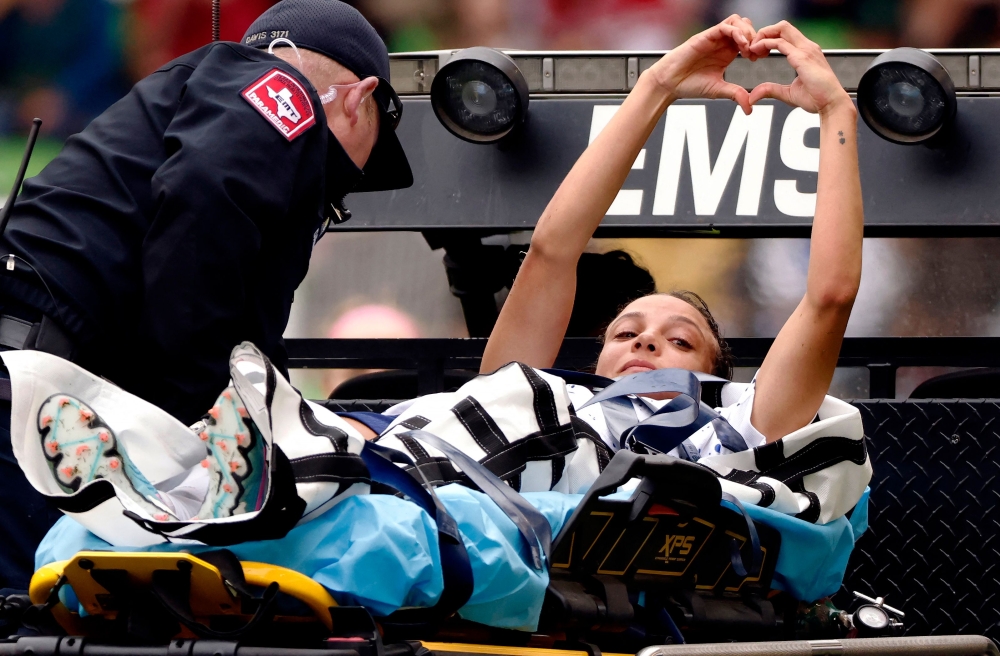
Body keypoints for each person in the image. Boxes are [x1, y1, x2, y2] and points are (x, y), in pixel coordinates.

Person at [0, 0, 411, 590]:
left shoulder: (197, 92)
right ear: (359, 98)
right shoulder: (282, 93)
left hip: (34, 367)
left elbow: (241, 320)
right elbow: (202, 218)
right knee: (33, 614)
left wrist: (285, 424)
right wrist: (203, 424)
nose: (342, 192)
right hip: (32, 380)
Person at [481, 17, 863, 453]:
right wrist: (658, 85)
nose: (644, 341)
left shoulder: (735, 431)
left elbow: (830, 299)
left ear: (716, 382)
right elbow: (550, 252)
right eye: (624, 335)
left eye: (681, 341)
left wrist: (836, 111)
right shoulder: (534, 406)